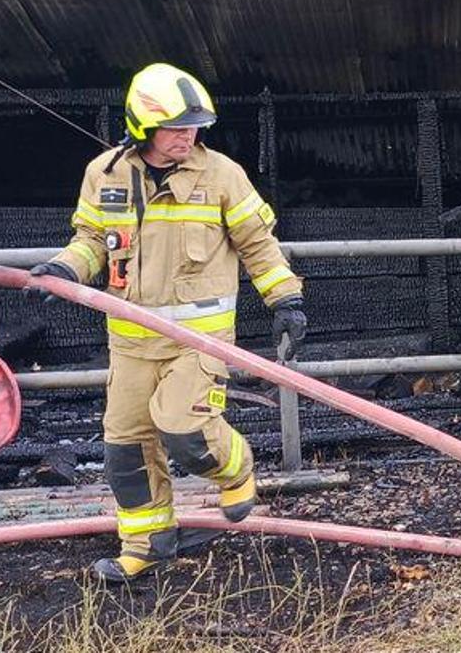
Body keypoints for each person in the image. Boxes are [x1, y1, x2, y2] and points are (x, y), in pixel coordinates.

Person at [29, 63, 308, 583]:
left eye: (195, 126)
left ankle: (237, 466)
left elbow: (257, 245)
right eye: (178, 127)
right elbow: (91, 239)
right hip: (130, 346)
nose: (189, 136)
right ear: (142, 127)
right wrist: (64, 270)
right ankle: (148, 544)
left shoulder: (222, 175)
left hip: (197, 343)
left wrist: (286, 300)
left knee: (185, 433)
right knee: (125, 450)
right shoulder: (104, 174)